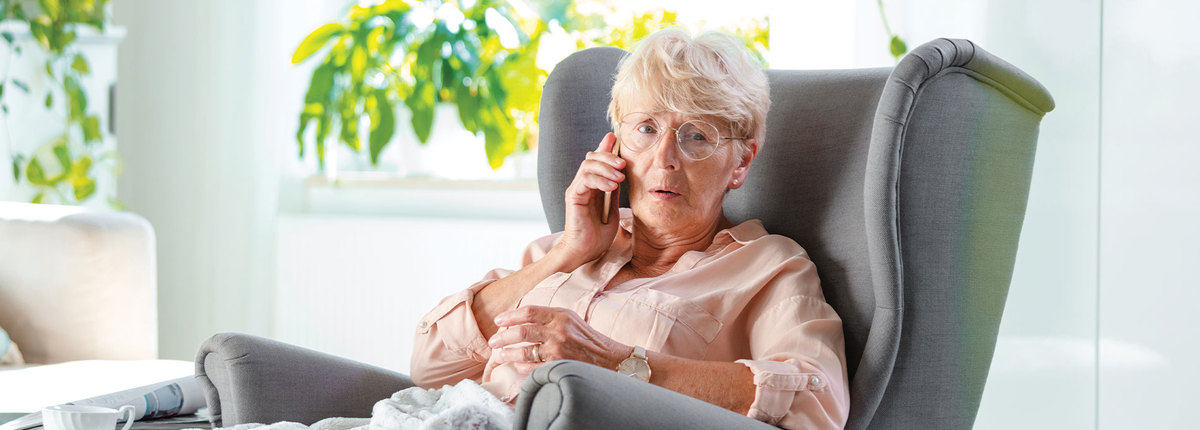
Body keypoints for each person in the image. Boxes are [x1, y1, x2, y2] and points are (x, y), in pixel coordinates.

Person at [411, 28, 849, 429]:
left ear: (741, 162)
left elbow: (819, 401)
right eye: (646, 128)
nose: (664, 158)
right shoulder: (562, 250)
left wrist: (618, 363)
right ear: (617, 143)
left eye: (696, 135)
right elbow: (430, 366)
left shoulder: (768, 266)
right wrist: (567, 251)